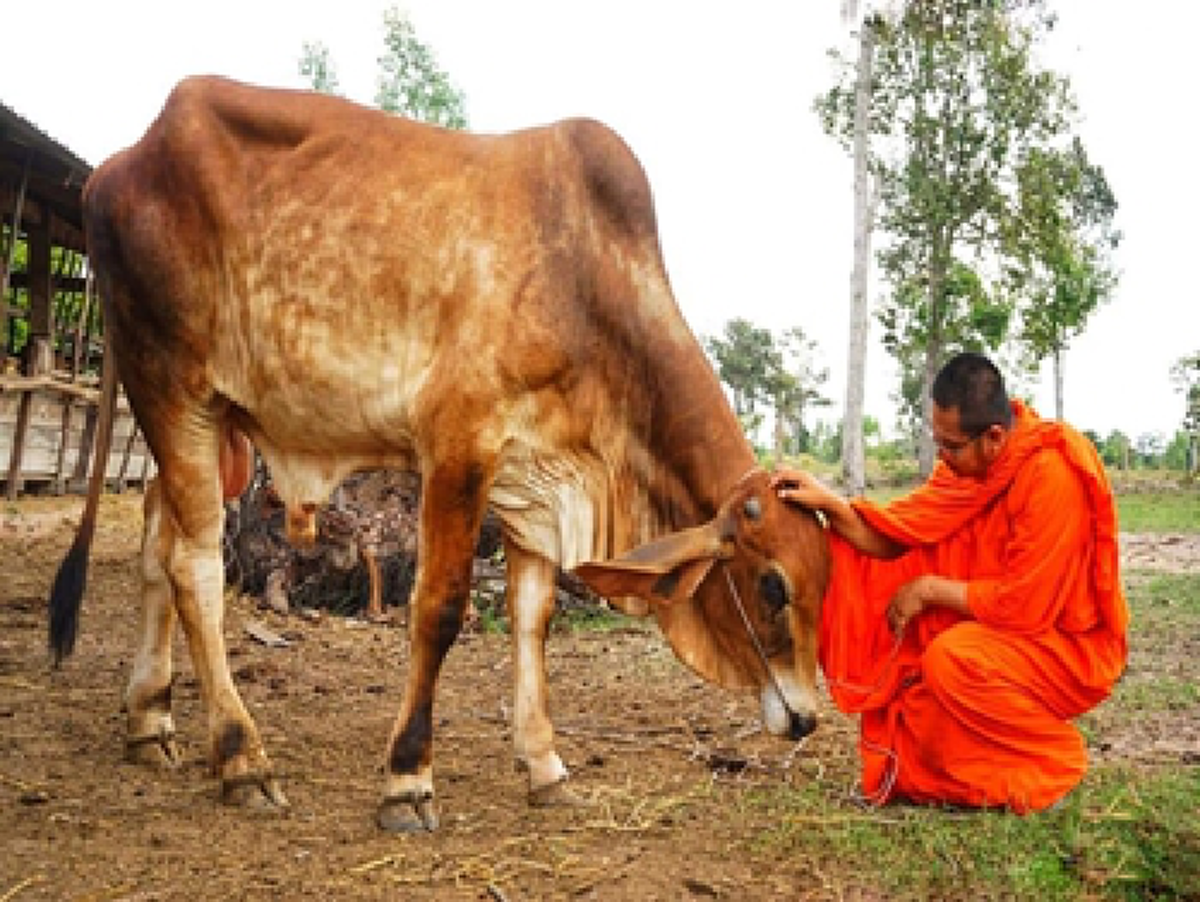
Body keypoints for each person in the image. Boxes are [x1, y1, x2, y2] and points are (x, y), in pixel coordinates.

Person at [772, 352, 1128, 813]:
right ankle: (976, 778)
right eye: (937, 444)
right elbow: (897, 534)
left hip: (1065, 648)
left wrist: (928, 590)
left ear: (994, 437)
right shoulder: (967, 468)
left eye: (951, 447)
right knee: (918, 696)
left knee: (953, 659)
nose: (943, 458)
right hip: (999, 632)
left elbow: (1025, 607)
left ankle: (1051, 765)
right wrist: (830, 505)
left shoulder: (1051, 477)